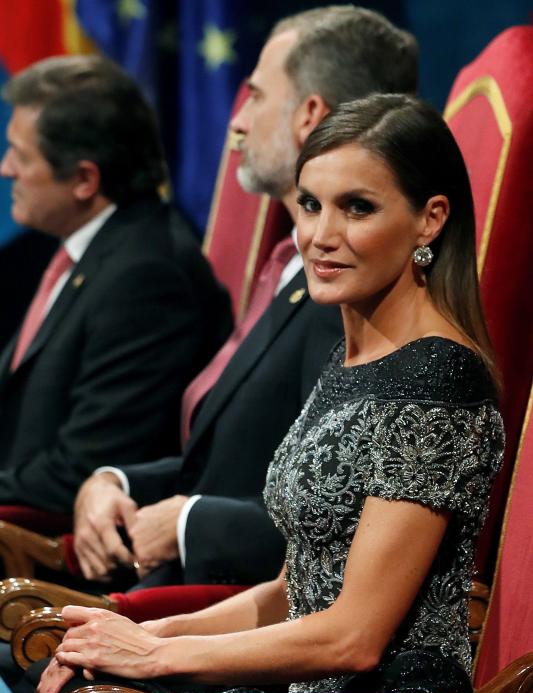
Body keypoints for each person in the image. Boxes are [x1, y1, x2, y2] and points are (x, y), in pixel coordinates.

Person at [27, 93, 504, 693]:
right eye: (309, 205)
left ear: (429, 218)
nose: (320, 234)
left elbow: (352, 636)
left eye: (357, 208)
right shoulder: (353, 357)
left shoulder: (438, 379)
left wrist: (156, 660)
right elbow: (293, 592)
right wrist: (140, 639)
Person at [70, 5, 419, 587]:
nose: (236, 124)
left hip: (231, 617)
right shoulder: (287, 269)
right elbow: (226, 463)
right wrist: (113, 481)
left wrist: (188, 522)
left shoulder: (347, 295)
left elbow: (329, 526)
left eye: (255, 97)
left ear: (309, 115)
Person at [0, 55, 232, 513]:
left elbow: (85, 468)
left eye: (21, 156)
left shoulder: (147, 277)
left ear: (85, 179)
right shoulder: (92, 245)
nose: (6, 168)